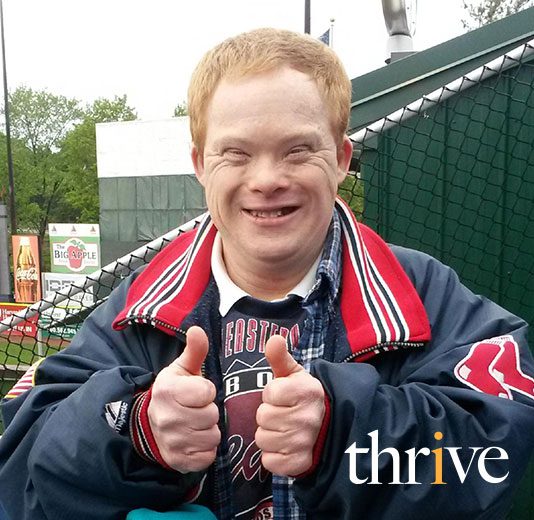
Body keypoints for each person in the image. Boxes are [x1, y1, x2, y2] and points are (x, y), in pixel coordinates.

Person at [1, 27, 533, 520]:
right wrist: (133, 429)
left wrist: (342, 434)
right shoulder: (137, 308)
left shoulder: (422, 294)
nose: (267, 179)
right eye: (236, 153)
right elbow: (23, 464)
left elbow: (493, 450)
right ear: (200, 165)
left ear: (341, 158)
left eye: (298, 150)